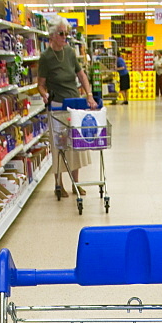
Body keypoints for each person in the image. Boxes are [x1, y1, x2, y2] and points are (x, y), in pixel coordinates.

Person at [37, 18, 97, 198]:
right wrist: (43, 94)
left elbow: (82, 75)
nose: (65, 37)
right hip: (57, 107)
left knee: (76, 146)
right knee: (59, 146)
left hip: (75, 104)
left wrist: (89, 95)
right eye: (62, 34)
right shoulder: (45, 57)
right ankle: (58, 184)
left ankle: (75, 183)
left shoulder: (70, 53)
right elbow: (40, 84)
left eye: (66, 33)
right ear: (53, 36)